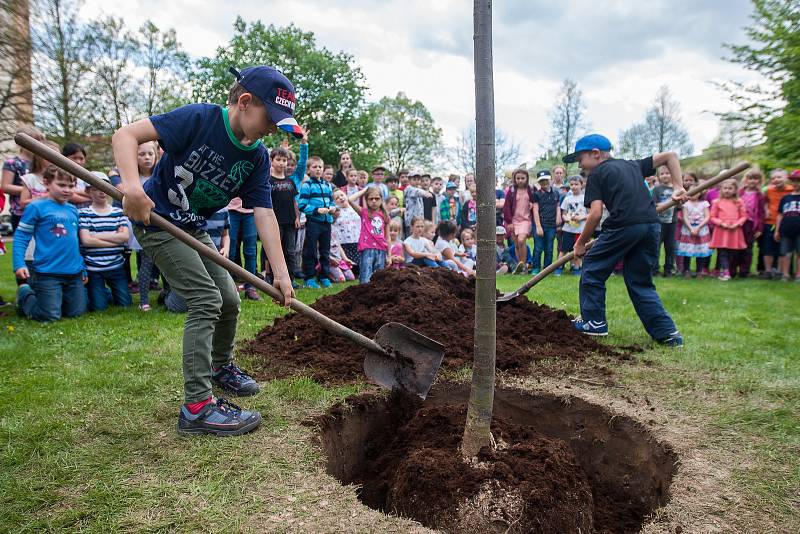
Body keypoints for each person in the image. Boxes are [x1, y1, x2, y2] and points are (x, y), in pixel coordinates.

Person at [112, 64, 299, 436]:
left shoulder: (257, 157)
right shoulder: (199, 118)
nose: (273, 129)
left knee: (229, 299)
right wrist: (133, 188)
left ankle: (219, 367)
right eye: (270, 118)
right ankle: (197, 407)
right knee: (205, 299)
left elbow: (265, 215)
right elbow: (126, 135)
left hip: (193, 227)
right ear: (245, 102)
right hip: (158, 222)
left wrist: (280, 273)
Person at [565, 133, 686, 346]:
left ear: (595, 154)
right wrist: (678, 186)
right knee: (640, 281)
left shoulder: (597, 174)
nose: (579, 166)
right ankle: (667, 333)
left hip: (624, 225)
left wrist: (580, 243)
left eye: (580, 159)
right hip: (650, 225)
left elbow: (594, 214)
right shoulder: (633, 165)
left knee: (592, 267)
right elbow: (671, 156)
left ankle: (593, 321)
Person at [13, 167, 87, 322]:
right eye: (61, 185)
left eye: (70, 186)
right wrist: (19, 264)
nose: (67, 190)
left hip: (74, 272)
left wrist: (83, 268)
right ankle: (25, 294)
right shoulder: (36, 207)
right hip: (48, 273)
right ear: (46, 183)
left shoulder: (73, 210)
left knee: (77, 313)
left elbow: (76, 243)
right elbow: (21, 236)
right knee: (49, 316)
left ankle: (55, 301)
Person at [78, 171, 132, 311]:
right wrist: (115, 239)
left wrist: (95, 236)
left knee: (125, 304)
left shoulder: (118, 212)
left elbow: (125, 237)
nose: (102, 192)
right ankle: (100, 293)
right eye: (96, 189)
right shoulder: (84, 213)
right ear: (88, 191)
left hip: (116, 265)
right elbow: (86, 241)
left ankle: (104, 293)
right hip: (94, 267)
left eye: (104, 188)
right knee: (98, 308)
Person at [264, 146, 300, 288]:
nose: (281, 163)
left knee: (290, 251)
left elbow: (294, 201)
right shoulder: (268, 181)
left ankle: (291, 279)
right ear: (271, 161)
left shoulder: (290, 182)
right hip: (275, 222)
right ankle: (270, 276)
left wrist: (297, 217)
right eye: (278, 160)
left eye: (284, 160)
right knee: (273, 250)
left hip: (290, 221)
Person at [298, 155, 335, 288]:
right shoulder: (307, 185)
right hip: (314, 222)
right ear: (308, 170)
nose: (318, 169)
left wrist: (332, 207)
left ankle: (324, 276)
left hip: (327, 222)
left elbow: (331, 201)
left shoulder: (327, 185)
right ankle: (309, 277)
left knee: (325, 251)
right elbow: (301, 205)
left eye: (320, 167)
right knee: (311, 250)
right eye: (315, 167)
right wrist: (316, 210)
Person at [133, 141, 161, 310]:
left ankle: (167, 293)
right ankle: (144, 301)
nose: (146, 158)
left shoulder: (160, 176)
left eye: (150, 154)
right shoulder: (133, 180)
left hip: (163, 225)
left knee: (165, 265)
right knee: (146, 263)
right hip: (144, 226)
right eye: (142, 154)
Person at [2, 124, 45, 232]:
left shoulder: (42, 163)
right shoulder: (13, 163)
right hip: (21, 212)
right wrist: (30, 190)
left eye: (39, 142)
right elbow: (5, 186)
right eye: (33, 141)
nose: (37, 145)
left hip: (42, 209)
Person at [348, 186, 389, 283]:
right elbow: (350, 199)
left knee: (379, 277)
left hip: (381, 249)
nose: (374, 201)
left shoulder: (385, 215)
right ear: (366, 200)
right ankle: (363, 295)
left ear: (381, 200)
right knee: (365, 276)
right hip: (367, 248)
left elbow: (388, 237)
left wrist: (390, 255)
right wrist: (364, 190)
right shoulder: (364, 212)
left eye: (377, 198)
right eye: (371, 199)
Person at [709, 179, 747, 281]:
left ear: (735, 190)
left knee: (732, 253)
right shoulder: (717, 202)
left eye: (730, 188)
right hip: (721, 230)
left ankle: (728, 270)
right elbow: (712, 216)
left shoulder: (739, 202)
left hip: (734, 230)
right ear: (721, 189)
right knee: (722, 252)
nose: (727, 190)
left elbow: (743, 216)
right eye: (725, 188)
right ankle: (725, 272)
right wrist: (721, 223)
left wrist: (737, 224)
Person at [676, 176, 712, 277]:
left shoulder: (704, 203)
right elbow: (685, 217)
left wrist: (698, 227)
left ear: (700, 192)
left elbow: (707, 216)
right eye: (691, 192)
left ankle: (699, 271)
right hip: (688, 229)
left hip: (701, 229)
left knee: (700, 250)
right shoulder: (686, 204)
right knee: (687, 250)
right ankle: (686, 270)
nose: (694, 194)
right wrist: (691, 228)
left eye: (696, 191)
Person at [761, 169, 794, 279]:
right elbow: (765, 201)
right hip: (770, 222)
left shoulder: (792, 189)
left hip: (785, 224)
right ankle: (768, 270)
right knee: (768, 248)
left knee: (782, 249)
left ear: (786, 178)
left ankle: (780, 271)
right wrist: (766, 210)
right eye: (773, 178)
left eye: (779, 177)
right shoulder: (768, 190)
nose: (776, 179)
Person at [502, 167, 535, 275]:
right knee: (516, 244)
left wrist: (532, 204)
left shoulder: (530, 189)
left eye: (523, 178)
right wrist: (509, 222)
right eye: (518, 178)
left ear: (527, 178)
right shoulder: (511, 191)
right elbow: (506, 207)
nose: (520, 180)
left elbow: (535, 202)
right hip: (514, 220)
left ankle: (524, 264)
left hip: (526, 220)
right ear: (514, 179)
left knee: (521, 241)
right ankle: (519, 266)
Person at [736, 170, 766, 278]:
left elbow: (762, 213)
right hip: (739, 223)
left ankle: (744, 271)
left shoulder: (760, 195)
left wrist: (760, 229)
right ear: (746, 180)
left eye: (755, 178)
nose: (753, 181)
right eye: (750, 178)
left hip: (751, 224)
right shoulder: (740, 192)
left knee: (748, 248)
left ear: (759, 181)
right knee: (736, 247)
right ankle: (733, 269)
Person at [532, 170, 562, 275]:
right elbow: (535, 210)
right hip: (540, 224)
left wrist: (558, 216)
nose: (544, 182)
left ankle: (547, 269)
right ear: (539, 182)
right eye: (542, 181)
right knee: (538, 248)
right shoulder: (536, 194)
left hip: (551, 225)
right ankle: (535, 267)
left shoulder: (556, 193)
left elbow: (558, 206)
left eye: (546, 180)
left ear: (551, 179)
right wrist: (538, 226)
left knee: (549, 248)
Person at [651, 166, 678, 277]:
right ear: (658, 176)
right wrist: (667, 204)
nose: (665, 175)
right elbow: (653, 204)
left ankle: (668, 269)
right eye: (662, 174)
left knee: (670, 247)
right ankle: (655, 269)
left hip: (672, 222)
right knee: (656, 246)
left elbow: (680, 205)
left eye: (668, 173)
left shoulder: (676, 189)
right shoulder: (657, 189)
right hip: (659, 222)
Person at [773, 170, 800, 281]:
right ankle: (785, 274)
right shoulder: (785, 198)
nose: (795, 183)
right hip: (786, 230)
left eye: (798, 181)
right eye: (793, 181)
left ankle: (798, 275)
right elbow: (780, 215)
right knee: (785, 253)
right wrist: (777, 230)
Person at [560, 175, 587, 275]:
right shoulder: (567, 199)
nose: (574, 186)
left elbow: (590, 214)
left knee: (578, 249)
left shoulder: (585, 198)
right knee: (563, 249)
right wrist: (565, 218)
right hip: (568, 229)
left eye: (576, 184)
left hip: (580, 229)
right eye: (571, 184)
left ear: (581, 185)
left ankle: (576, 268)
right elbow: (563, 213)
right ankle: (559, 267)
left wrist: (581, 218)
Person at [332, 189, 361, 274]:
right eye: (337, 198)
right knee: (349, 267)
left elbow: (353, 197)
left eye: (342, 195)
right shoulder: (336, 211)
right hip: (344, 244)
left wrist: (366, 189)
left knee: (359, 267)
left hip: (357, 241)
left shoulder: (354, 207)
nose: (340, 198)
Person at [62, 142, 92, 208]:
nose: (78, 162)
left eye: (81, 158)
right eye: (74, 158)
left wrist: (76, 191)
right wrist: (89, 199)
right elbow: (70, 196)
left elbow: (93, 193)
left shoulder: (87, 177)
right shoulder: (60, 175)